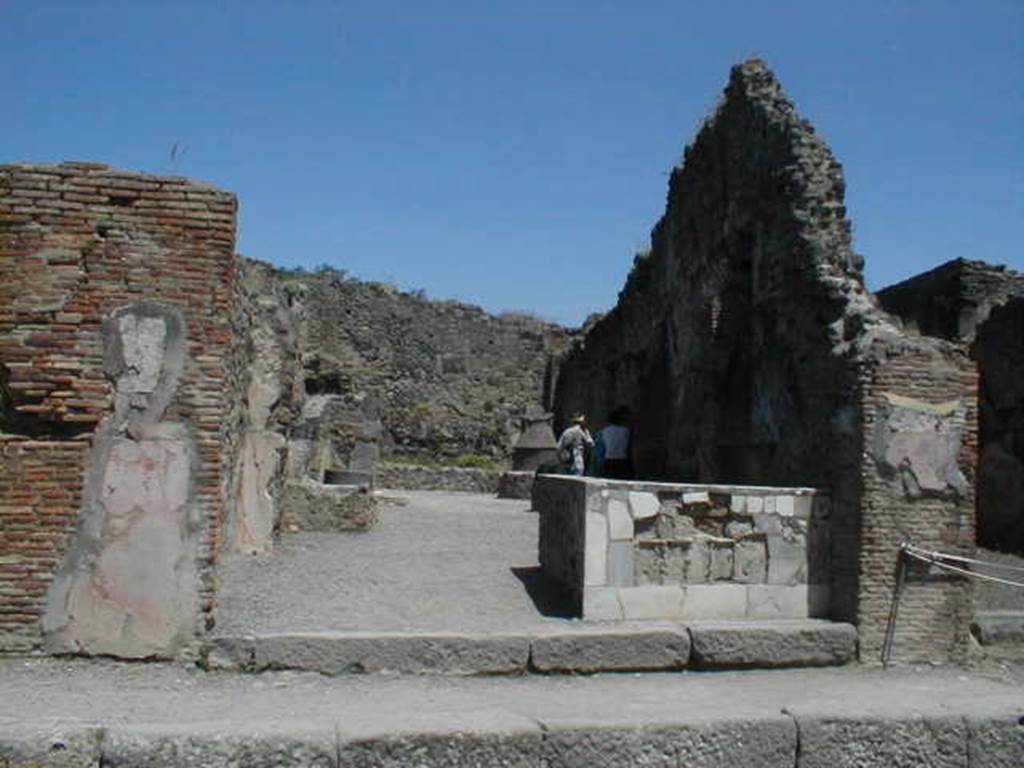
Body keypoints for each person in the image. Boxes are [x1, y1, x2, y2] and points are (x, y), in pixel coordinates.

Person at [598, 406, 632, 479]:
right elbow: (628, 446)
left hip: (608, 459)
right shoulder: (625, 431)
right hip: (621, 459)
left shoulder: (605, 431)